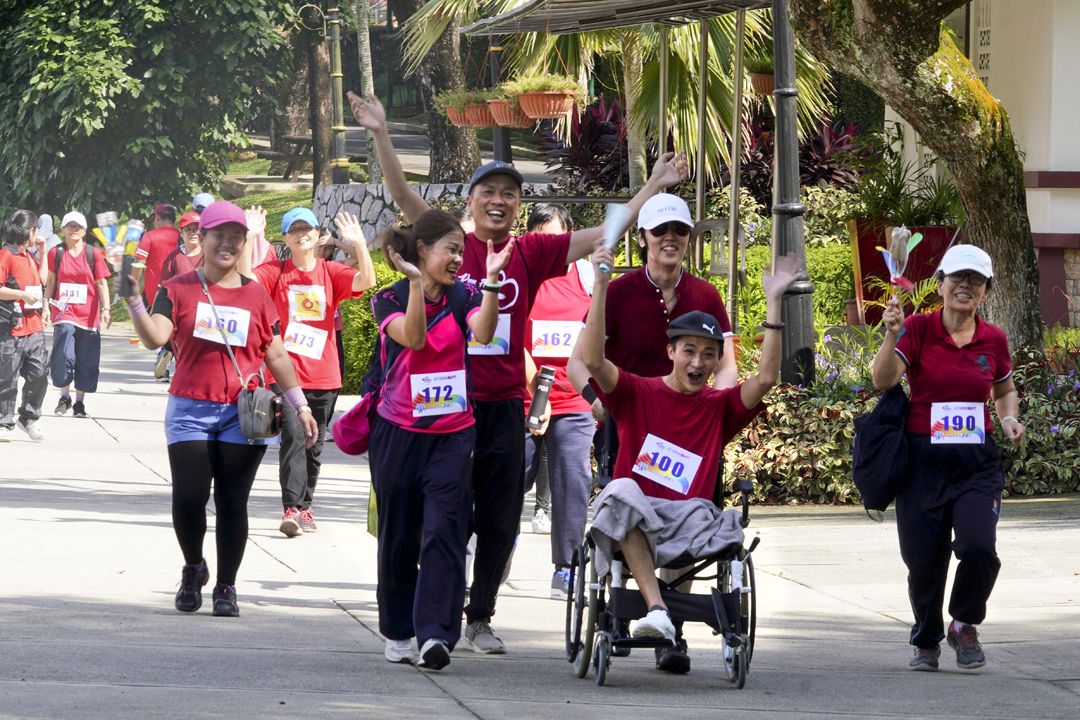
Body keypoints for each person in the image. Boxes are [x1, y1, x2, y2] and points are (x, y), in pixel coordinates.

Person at [349, 90, 688, 653]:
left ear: (518, 204)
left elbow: (605, 233)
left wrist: (651, 187)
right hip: (447, 411)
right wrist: (382, 133)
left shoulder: (531, 251)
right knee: (446, 517)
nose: (499, 201)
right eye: (489, 192)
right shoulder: (445, 244)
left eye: (509, 193)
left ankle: (478, 617)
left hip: (505, 401)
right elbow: (401, 193)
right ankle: (435, 618)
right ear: (470, 200)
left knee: (502, 520)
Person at [580, 242, 800, 670]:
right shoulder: (634, 392)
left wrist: (775, 301)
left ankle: (660, 615)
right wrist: (602, 286)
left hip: (692, 519)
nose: (698, 362)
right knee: (621, 491)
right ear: (670, 352)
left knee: (695, 513)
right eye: (689, 351)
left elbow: (767, 376)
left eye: (708, 354)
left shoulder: (719, 407)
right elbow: (592, 358)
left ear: (718, 362)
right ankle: (658, 612)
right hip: (637, 516)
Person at [567, 191, 738, 673]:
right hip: (630, 418)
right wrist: (599, 404)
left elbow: (726, 365)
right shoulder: (619, 292)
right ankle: (625, 610)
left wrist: (717, 404)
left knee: (686, 521)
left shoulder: (705, 294)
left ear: (688, 239)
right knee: (629, 511)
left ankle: (671, 628)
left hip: (690, 426)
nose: (670, 239)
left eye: (679, 231)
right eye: (660, 230)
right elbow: (580, 361)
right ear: (642, 238)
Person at [125, 200, 318, 618]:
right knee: (189, 497)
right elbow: (156, 337)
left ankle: (227, 587)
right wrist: (135, 303)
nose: (226, 243)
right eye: (218, 236)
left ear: (244, 241)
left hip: (243, 413)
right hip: (189, 408)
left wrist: (300, 404)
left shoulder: (257, 294)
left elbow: (277, 354)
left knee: (233, 501)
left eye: (236, 236)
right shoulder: (176, 288)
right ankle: (194, 566)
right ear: (204, 240)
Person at [871, 244, 1024, 672]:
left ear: (986, 292)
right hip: (921, 463)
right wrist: (890, 334)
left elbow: (1004, 390)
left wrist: (1009, 419)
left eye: (975, 280)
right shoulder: (917, 328)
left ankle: (964, 622)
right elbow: (883, 380)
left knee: (979, 548)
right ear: (940, 285)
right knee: (924, 561)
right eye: (957, 277)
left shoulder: (993, 339)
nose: (965, 285)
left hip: (976, 463)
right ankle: (926, 639)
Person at [369, 209, 510, 670]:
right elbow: (412, 338)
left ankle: (435, 633)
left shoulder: (465, 293)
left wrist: (489, 282)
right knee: (399, 536)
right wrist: (413, 285)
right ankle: (398, 630)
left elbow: (485, 332)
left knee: (445, 531)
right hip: (397, 433)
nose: (457, 258)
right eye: (450, 249)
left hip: (453, 435)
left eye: (460, 251)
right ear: (423, 250)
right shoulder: (387, 298)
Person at [253, 207, 376, 537]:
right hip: (286, 376)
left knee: (314, 444)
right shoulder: (274, 272)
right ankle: (291, 507)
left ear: (317, 233)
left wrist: (360, 244)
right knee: (293, 435)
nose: (302, 233)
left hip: (325, 375)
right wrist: (253, 237)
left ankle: (306, 507)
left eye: (307, 227)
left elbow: (367, 280)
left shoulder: (331, 271)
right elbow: (245, 282)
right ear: (285, 238)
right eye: (294, 229)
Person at [520, 203, 596, 600]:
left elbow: (601, 333)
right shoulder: (522, 276)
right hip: (523, 397)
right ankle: (494, 555)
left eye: (556, 237)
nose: (548, 245)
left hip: (574, 401)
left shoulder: (587, 278)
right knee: (511, 477)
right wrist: (535, 391)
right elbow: (509, 336)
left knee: (573, 480)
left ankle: (566, 569)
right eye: (539, 237)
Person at [44, 211, 111, 418]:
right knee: (64, 353)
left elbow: (101, 282)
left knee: (86, 358)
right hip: (63, 311)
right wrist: (45, 306)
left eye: (79, 226)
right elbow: (51, 281)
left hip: (88, 315)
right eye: (70, 225)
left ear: (84, 231)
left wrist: (106, 308)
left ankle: (79, 402)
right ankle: (64, 396)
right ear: (62, 229)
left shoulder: (93, 254)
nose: (74, 229)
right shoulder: (56, 253)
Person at [0, 210, 50, 442]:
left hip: (34, 324)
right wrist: (20, 294)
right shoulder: (6, 255)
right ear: (28, 231)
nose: (37, 234)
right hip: (11, 325)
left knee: (40, 373)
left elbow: (42, 280)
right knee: (7, 375)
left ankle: (28, 417)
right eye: (35, 229)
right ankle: (4, 420)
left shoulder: (29, 254)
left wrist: (42, 252)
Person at [133, 203, 181, 379]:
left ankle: (165, 354)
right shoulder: (181, 235)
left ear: (158, 218)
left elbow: (139, 262)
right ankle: (175, 358)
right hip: (181, 288)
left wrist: (134, 282)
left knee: (159, 326)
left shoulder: (150, 236)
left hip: (156, 291)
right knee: (179, 326)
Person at [159, 212, 204, 284]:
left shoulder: (209, 255)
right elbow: (163, 289)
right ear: (181, 233)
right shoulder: (173, 258)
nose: (192, 233)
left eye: (196, 229)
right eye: (188, 229)